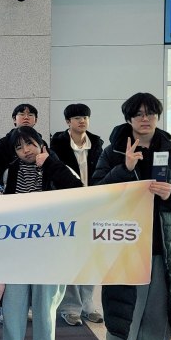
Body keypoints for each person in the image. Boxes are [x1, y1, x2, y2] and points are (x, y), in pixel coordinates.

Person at [92, 92, 171, 340]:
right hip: (124, 244)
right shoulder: (113, 151)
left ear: (157, 116)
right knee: (123, 308)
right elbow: (97, 193)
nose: (144, 118)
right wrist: (124, 169)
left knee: (158, 312)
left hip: (164, 246)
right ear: (129, 118)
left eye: (150, 113)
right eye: (138, 114)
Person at [0, 127, 83, 340]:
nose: (25, 150)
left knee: (45, 305)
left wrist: (50, 164)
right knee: (13, 304)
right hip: (17, 250)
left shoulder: (58, 166)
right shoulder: (11, 171)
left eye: (30, 144)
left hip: (50, 249)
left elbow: (78, 190)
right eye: (19, 147)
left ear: (40, 143)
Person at [50, 103, 105, 326]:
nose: (82, 121)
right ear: (68, 122)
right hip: (68, 206)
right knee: (71, 255)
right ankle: (71, 306)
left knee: (91, 255)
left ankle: (88, 302)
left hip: (93, 206)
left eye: (85, 117)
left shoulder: (98, 144)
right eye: (76, 118)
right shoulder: (56, 145)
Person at [0, 103, 48, 185]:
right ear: (14, 119)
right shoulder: (3, 143)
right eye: (22, 114)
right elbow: (1, 174)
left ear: (36, 120)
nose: (26, 117)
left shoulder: (42, 142)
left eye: (30, 115)